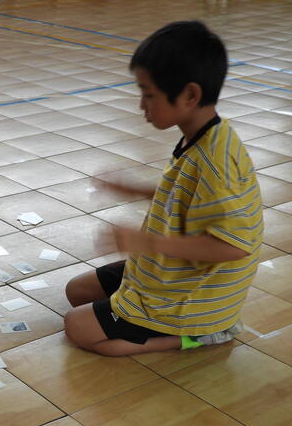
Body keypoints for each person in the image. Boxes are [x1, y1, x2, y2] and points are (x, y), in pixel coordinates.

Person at [63, 21, 263, 357]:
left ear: (190, 95)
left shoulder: (216, 162)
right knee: (77, 291)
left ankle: (201, 335)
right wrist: (134, 189)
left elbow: (233, 246)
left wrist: (148, 242)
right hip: (172, 269)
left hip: (197, 296)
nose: (142, 105)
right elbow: (185, 197)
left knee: (77, 326)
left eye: (149, 94)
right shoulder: (200, 135)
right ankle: (162, 316)